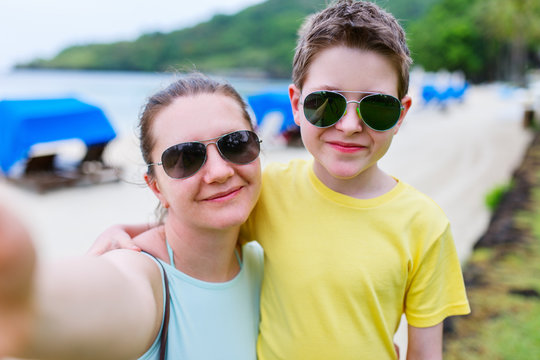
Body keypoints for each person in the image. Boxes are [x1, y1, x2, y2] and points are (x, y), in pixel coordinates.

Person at [91, 1, 470, 359]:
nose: (351, 126)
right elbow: (198, 225)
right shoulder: (268, 190)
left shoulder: (426, 226)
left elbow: (425, 352)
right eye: (327, 103)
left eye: (377, 107)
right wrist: (126, 232)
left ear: (401, 114)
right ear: (295, 104)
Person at [0, 73, 264, 360]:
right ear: (155, 186)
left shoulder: (263, 257)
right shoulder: (145, 276)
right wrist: (23, 298)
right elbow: (102, 296)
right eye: (185, 157)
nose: (220, 172)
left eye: (236, 143)